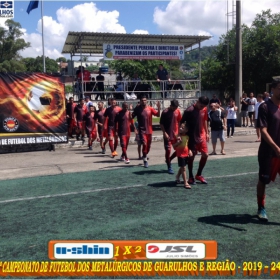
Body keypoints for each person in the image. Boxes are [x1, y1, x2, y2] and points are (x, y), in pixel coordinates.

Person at [256, 79, 280, 221]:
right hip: (268, 152)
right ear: (273, 89)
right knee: (263, 180)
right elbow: (263, 131)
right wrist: (276, 147)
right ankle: (261, 207)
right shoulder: (265, 107)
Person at [180, 96, 209, 184]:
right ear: (197, 101)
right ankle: (191, 177)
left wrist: (207, 132)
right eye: (201, 105)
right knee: (191, 157)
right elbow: (181, 122)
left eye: (203, 106)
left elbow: (205, 120)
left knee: (205, 155)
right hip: (192, 137)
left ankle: (198, 174)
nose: (202, 107)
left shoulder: (204, 109)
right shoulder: (189, 110)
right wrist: (181, 134)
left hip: (202, 136)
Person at [132, 95, 161, 168]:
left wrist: (159, 107)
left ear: (147, 101)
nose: (143, 101)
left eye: (145, 100)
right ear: (140, 101)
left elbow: (157, 115)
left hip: (149, 130)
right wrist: (134, 128)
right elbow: (131, 117)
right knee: (144, 144)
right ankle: (145, 160)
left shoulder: (150, 108)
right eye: (142, 100)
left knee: (148, 146)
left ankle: (144, 155)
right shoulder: (138, 109)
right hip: (142, 130)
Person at [160, 99, 182, 174]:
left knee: (179, 150)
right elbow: (161, 124)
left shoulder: (178, 111)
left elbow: (179, 122)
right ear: (171, 106)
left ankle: (169, 159)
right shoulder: (165, 112)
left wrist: (179, 133)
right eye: (174, 107)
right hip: (168, 135)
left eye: (176, 107)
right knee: (168, 150)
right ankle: (169, 166)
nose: (175, 108)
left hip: (175, 135)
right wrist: (164, 133)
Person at [173, 122, 193, 189]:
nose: (180, 129)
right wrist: (178, 143)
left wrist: (189, 151)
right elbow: (173, 146)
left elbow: (188, 145)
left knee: (183, 166)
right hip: (180, 154)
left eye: (182, 128)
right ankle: (185, 182)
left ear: (186, 130)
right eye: (180, 127)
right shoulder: (178, 136)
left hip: (186, 154)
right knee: (183, 168)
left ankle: (177, 176)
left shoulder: (187, 137)